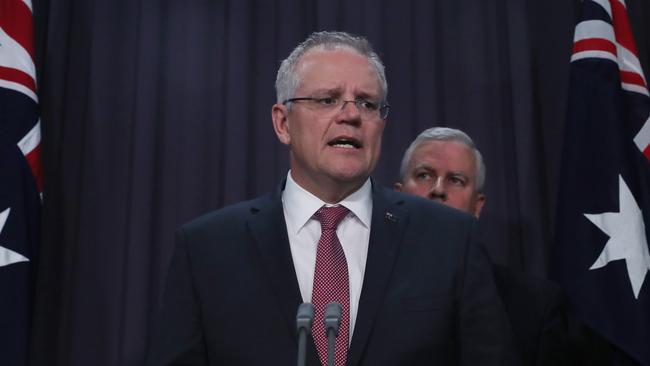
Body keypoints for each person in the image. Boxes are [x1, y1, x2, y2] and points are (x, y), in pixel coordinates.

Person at [147, 32, 512, 366]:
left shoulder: (448, 239)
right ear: (283, 123)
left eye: (368, 104)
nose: (351, 115)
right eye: (328, 99)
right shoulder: (207, 249)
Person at [395, 126, 569, 366]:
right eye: (424, 175)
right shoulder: (358, 287)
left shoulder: (535, 306)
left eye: (455, 180)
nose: (438, 190)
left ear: (477, 206)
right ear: (398, 197)